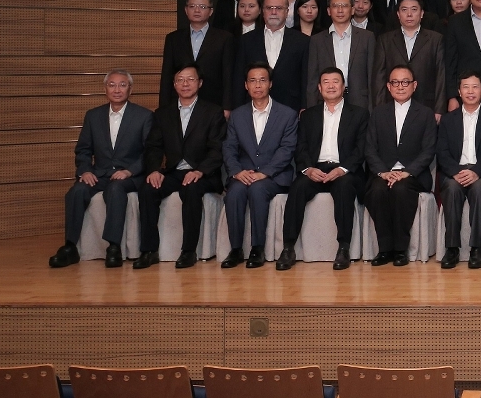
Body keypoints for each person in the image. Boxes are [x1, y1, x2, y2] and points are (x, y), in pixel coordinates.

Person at [49, 70, 153, 269]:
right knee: (77, 191)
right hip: (99, 173)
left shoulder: (144, 116)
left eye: (122, 85)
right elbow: (83, 150)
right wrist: (85, 170)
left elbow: (150, 152)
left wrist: (129, 171)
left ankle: (113, 247)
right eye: (112, 85)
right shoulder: (93, 116)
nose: (117, 89)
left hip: (130, 175)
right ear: (105, 89)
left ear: (130, 89)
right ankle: (70, 247)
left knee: (116, 189)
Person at [276, 67, 369, 271]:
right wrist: (308, 169)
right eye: (326, 82)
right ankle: (288, 248)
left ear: (344, 87)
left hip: (345, 171)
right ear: (319, 88)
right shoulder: (308, 115)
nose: (331, 85)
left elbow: (362, 148)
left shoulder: (359, 114)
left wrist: (343, 169)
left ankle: (343, 248)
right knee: (298, 187)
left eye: (336, 81)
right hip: (315, 169)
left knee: (344, 188)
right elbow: (300, 147)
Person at [134, 64, 226, 269]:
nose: (185, 84)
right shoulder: (162, 113)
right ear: (174, 84)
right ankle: (149, 250)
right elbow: (153, 147)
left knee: (191, 188)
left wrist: (199, 170)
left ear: (200, 83)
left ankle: (188, 251)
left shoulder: (213, 112)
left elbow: (217, 148)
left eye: (190, 79)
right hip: (174, 171)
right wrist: (154, 170)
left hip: (204, 173)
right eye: (180, 80)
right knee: (148, 189)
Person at [220, 63, 298, 269]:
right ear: (246, 85)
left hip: (274, 176)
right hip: (243, 173)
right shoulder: (237, 115)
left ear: (270, 84)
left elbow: (287, 149)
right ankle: (236, 249)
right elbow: (229, 147)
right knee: (234, 193)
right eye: (252, 81)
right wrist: (236, 172)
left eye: (262, 80)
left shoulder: (287, 114)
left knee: (257, 190)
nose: (257, 85)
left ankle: (257, 248)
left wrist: (265, 172)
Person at [363, 65, 439, 267]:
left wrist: (407, 172)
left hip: (413, 176)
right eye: (395, 82)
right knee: (377, 190)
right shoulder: (378, 113)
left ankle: (400, 249)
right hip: (383, 173)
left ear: (414, 85)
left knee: (401, 190)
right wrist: (383, 172)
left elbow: (429, 150)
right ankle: (384, 249)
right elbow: (370, 148)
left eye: (405, 82)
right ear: (388, 86)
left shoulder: (425, 113)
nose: (400, 87)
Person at [437, 71, 481, 269]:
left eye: (475, 87)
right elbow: (442, 152)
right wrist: (457, 172)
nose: (470, 91)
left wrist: (476, 172)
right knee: (451, 188)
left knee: (479, 189)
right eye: (466, 87)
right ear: (459, 91)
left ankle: (476, 248)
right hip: (455, 171)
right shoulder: (449, 120)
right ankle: (452, 249)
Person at [234, 0, 312, 111]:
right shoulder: (246, 40)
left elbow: (306, 77)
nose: (274, 12)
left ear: (287, 11)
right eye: (269, 8)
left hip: (291, 105)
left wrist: (304, 106)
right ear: (262, 11)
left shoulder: (303, 41)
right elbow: (239, 76)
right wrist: (237, 108)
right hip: (253, 106)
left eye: (279, 8)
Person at [372, 0, 447, 116]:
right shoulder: (385, 40)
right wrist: (380, 109)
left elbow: (441, 75)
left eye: (414, 9)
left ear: (422, 13)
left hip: (427, 104)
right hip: (392, 105)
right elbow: (379, 77)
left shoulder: (435, 39)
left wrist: (439, 109)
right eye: (404, 10)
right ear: (398, 14)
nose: (409, 14)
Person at [160, 0, 233, 115]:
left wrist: (227, 106)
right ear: (186, 10)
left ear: (211, 11)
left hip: (213, 101)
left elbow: (228, 74)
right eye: (192, 6)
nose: (197, 10)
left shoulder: (224, 38)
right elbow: (167, 73)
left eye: (203, 7)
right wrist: (163, 106)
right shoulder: (173, 38)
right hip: (180, 102)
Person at [306, 0, 376, 111]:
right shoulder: (317, 40)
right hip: (326, 101)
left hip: (359, 100)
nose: (340, 10)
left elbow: (372, 75)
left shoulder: (367, 37)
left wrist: (372, 106)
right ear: (328, 11)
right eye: (335, 6)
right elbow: (312, 78)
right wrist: (311, 109)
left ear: (352, 10)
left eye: (344, 6)